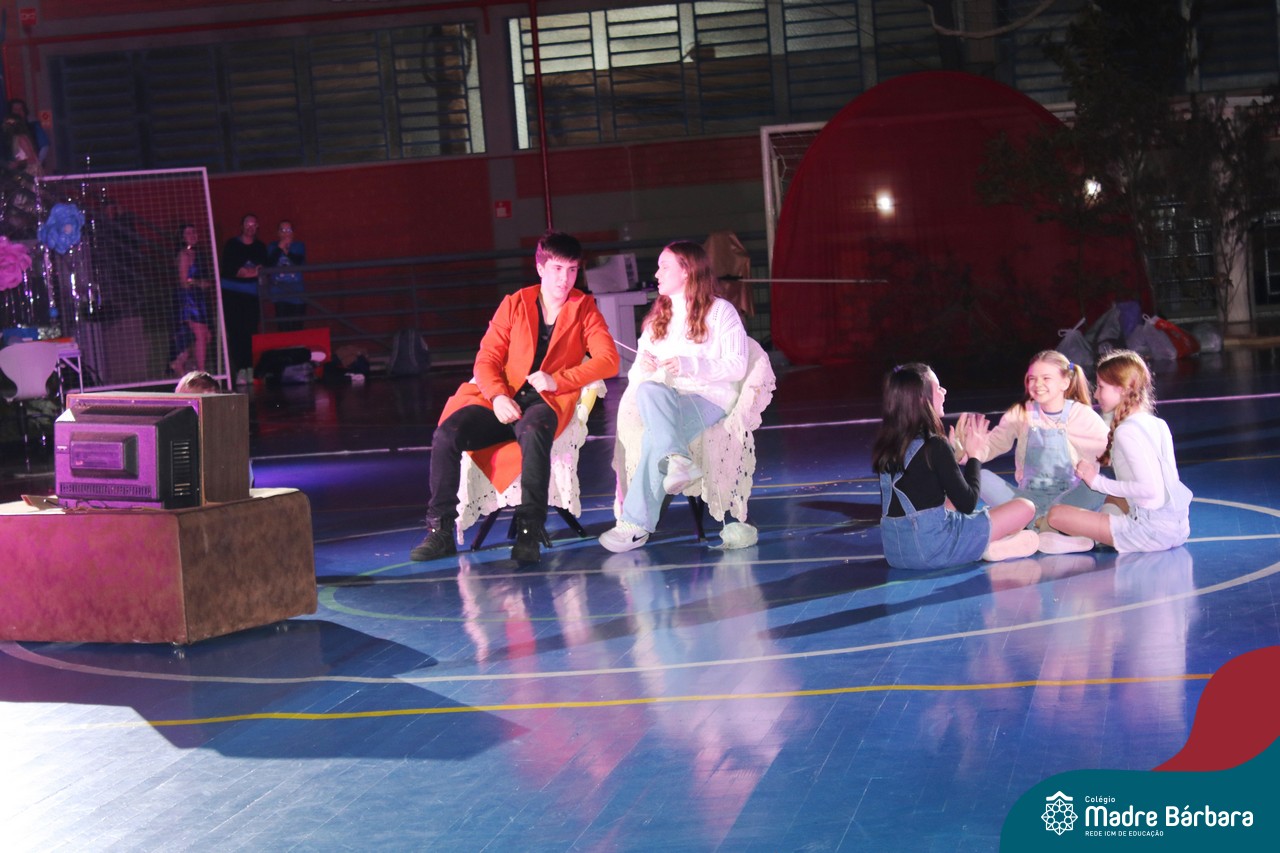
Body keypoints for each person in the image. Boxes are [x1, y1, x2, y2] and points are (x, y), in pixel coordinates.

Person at [410, 231, 619, 564]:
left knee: (535, 432)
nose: (564, 279)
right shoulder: (515, 303)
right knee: (447, 434)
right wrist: (496, 397)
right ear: (540, 268)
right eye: (557, 269)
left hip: (546, 401)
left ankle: (528, 531)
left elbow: (609, 360)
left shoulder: (585, 308)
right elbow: (486, 359)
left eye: (571, 270)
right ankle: (441, 531)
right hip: (502, 398)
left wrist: (558, 379)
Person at [599, 240, 747, 553]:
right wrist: (645, 368)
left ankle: (634, 525)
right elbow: (637, 379)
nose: (656, 273)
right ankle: (677, 460)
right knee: (649, 389)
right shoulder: (657, 320)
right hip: (665, 399)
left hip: (708, 398)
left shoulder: (721, 312)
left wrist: (689, 364)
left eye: (664, 266)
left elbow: (737, 365)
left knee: (655, 439)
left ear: (686, 271)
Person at [872, 363, 1040, 569]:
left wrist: (952, 456)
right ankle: (988, 546)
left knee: (951, 503)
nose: (944, 392)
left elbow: (923, 489)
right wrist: (975, 456)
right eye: (938, 388)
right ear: (922, 398)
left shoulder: (888, 445)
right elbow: (968, 503)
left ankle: (990, 545)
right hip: (934, 550)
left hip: (897, 554)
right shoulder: (935, 444)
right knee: (1025, 507)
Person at [1040, 350, 1192, 554]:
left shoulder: (1126, 431)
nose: (1096, 394)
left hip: (1150, 533)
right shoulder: (1158, 423)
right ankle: (1095, 538)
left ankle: (1089, 539)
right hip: (1178, 527)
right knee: (1113, 498)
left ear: (1121, 389)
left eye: (1101, 387)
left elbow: (1150, 490)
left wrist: (1096, 481)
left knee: (1056, 515)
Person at [956, 350, 1108, 524]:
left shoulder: (1080, 414)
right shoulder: (1021, 413)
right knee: (981, 477)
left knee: (1097, 488)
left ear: (1065, 382)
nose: (1038, 384)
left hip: (1068, 500)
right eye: (1032, 379)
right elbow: (994, 443)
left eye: (1046, 378)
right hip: (1027, 501)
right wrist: (968, 453)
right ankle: (1044, 524)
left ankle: (1039, 524)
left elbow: (1110, 449)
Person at [220, 213, 269, 383]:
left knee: (250, 330)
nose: (250, 228)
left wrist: (250, 273)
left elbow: (261, 270)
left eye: (254, 225)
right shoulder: (232, 245)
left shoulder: (260, 247)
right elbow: (236, 271)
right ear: (242, 226)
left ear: (257, 227)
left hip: (251, 295)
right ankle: (240, 369)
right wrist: (249, 273)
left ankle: (250, 367)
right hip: (232, 295)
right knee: (236, 331)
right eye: (248, 224)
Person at [169, 224, 214, 376]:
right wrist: (198, 283)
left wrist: (202, 283)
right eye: (188, 233)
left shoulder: (198, 255)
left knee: (201, 335)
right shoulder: (184, 255)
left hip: (198, 298)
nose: (192, 235)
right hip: (190, 299)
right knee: (200, 334)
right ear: (182, 237)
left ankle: (182, 364)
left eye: (194, 232)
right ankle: (200, 371)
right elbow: (184, 281)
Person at [265, 219, 306, 332]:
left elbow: (299, 262)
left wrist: (287, 251)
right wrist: (280, 248)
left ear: (293, 233)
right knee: (283, 327)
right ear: (278, 233)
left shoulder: (299, 245)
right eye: (282, 230)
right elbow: (269, 264)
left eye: (289, 230)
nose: (286, 233)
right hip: (279, 293)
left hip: (297, 292)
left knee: (297, 327)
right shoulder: (272, 246)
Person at [8, 99, 49, 168]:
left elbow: (44, 145)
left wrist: (37, 163)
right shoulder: (7, 127)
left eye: (21, 109)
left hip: (30, 167)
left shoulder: (32, 125)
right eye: (15, 110)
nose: (18, 112)